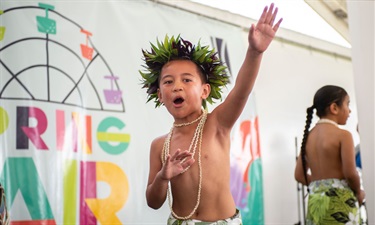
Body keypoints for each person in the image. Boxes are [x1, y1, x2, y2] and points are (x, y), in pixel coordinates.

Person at [140, 3, 282, 224]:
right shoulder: (160, 146)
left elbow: (241, 91)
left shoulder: (217, 124)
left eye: (187, 80)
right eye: (168, 82)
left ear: (204, 90)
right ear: (160, 94)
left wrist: (255, 52)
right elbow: (153, 201)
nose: (177, 86)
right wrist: (163, 177)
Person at [294, 85, 366, 224]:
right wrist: (358, 192)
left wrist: (320, 186)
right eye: (347, 104)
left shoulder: (308, 137)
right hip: (340, 201)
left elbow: (299, 175)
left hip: (316, 203)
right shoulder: (343, 135)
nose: (349, 110)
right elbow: (350, 173)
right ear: (334, 108)